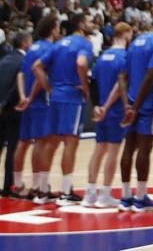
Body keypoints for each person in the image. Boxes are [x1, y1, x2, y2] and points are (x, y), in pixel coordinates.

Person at [119, 14, 153, 211]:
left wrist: (127, 106)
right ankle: (140, 198)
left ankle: (125, 196)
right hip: (147, 104)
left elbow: (122, 76)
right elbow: (149, 76)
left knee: (129, 147)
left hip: (130, 101)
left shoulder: (135, 42)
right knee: (144, 148)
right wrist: (136, 107)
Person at [46, 11, 93, 203]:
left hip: (55, 95)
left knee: (52, 143)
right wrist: (85, 85)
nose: (92, 23)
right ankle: (66, 191)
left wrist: (51, 86)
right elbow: (81, 63)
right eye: (89, 20)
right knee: (70, 144)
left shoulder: (58, 44)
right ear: (81, 25)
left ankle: (41, 188)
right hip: (71, 98)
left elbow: (40, 65)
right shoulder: (83, 43)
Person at [83, 21, 132, 209]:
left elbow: (93, 83)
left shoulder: (102, 57)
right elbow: (119, 87)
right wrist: (105, 106)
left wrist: (96, 105)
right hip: (114, 111)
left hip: (100, 111)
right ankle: (105, 194)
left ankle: (89, 193)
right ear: (126, 34)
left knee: (98, 150)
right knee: (112, 152)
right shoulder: (125, 57)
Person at [14, 14, 59, 201]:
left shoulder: (32, 48)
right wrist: (43, 91)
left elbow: (21, 74)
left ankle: (21, 184)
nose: (59, 31)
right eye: (57, 27)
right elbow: (39, 76)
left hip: (28, 103)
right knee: (42, 143)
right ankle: (39, 186)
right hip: (41, 101)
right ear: (52, 29)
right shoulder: (51, 48)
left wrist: (23, 96)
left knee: (24, 142)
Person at [0, 30, 29, 196]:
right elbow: (15, 88)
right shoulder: (23, 61)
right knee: (13, 148)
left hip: (2, 108)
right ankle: (8, 186)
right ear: (25, 43)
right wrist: (5, 103)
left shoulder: (4, 60)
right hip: (13, 108)